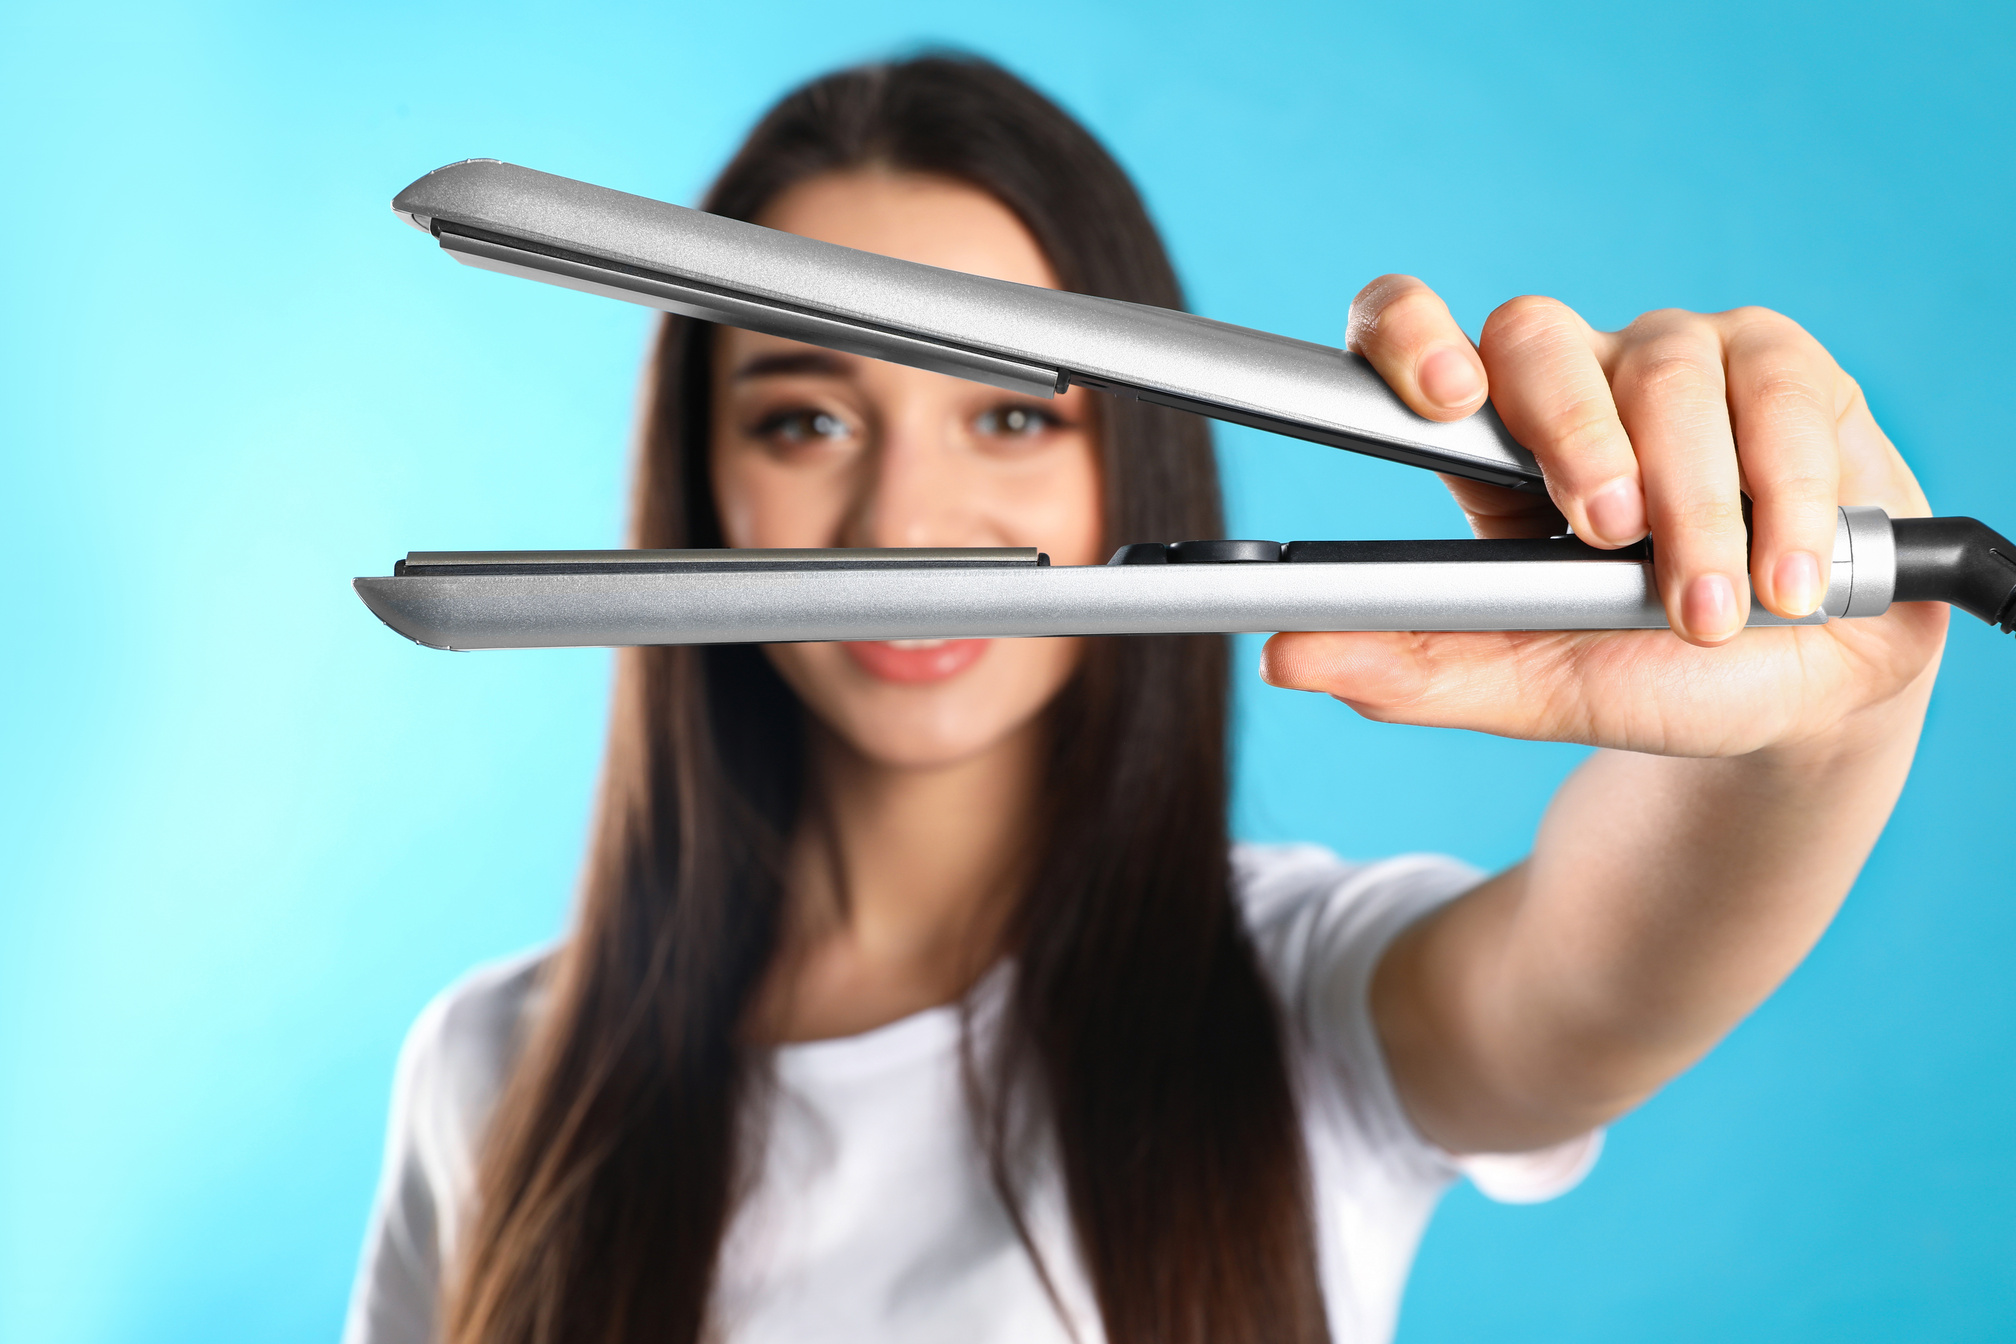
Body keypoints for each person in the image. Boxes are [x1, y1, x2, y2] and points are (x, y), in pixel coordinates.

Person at [343, 53, 1944, 1344]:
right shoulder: (496, 1068)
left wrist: (1821, 711)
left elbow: (1594, 993)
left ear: (1139, 455)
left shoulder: (1297, 997)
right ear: (702, 479)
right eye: (806, 423)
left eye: (1011, 419)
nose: (904, 518)